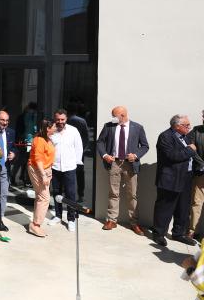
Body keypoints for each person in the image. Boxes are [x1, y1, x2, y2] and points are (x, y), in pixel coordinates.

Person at [96, 106, 149, 235]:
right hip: (114, 163)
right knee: (113, 193)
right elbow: (100, 142)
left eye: (114, 116)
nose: (112, 118)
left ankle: (134, 223)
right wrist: (105, 155)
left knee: (132, 194)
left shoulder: (137, 127)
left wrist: (135, 155)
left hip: (130, 164)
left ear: (123, 115)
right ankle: (112, 220)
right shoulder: (109, 126)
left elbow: (145, 146)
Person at [152, 114, 198, 246]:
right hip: (170, 179)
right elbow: (172, 156)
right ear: (177, 126)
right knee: (165, 207)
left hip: (186, 177)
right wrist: (190, 150)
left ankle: (179, 233)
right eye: (186, 125)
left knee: (183, 208)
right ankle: (158, 234)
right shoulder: (165, 137)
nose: (189, 127)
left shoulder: (186, 136)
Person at [49, 109, 84, 232]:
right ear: (55, 119)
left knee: (70, 194)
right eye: (58, 119)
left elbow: (79, 148)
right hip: (55, 167)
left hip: (69, 167)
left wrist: (76, 163)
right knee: (57, 192)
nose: (60, 122)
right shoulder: (51, 131)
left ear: (66, 119)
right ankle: (58, 215)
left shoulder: (73, 131)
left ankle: (71, 219)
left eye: (62, 119)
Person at [27, 119, 57, 237]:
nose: (55, 128)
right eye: (54, 126)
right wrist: (44, 175)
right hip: (38, 169)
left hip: (45, 170)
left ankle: (35, 224)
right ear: (48, 129)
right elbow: (38, 159)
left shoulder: (48, 139)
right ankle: (36, 225)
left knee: (40, 197)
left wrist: (48, 171)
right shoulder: (39, 140)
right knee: (44, 198)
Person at [67, 102, 90, 202]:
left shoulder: (66, 120)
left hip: (67, 150)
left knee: (66, 171)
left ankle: (66, 192)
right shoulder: (82, 121)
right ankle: (81, 194)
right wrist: (83, 149)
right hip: (79, 151)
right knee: (80, 173)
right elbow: (86, 137)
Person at [0, 110, 16, 219]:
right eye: (2, 120)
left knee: (3, 193)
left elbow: (13, 147)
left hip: (5, 167)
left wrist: (14, 153)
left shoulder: (11, 132)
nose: (5, 122)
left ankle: (0, 216)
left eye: (7, 120)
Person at [12, 102, 38, 188]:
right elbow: (31, 129)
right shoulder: (28, 116)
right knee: (23, 159)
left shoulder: (28, 115)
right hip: (27, 140)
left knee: (25, 159)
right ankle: (19, 178)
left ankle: (21, 177)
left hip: (28, 140)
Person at [188, 110, 204, 240]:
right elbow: (190, 148)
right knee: (197, 202)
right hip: (200, 172)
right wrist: (201, 164)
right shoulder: (196, 130)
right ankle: (192, 231)